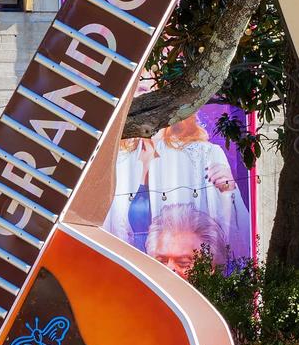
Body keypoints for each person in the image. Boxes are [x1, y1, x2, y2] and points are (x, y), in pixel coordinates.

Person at [104, 113, 252, 266]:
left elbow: (234, 235)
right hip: (130, 265)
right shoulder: (120, 161)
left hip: (176, 268)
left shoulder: (203, 153)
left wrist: (229, 193)